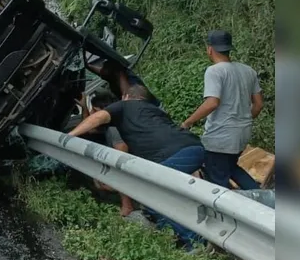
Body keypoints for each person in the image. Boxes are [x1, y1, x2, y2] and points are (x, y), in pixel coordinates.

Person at [67, 84, 205, 249]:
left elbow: (97, 119)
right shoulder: (156, 111)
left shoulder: (124, 106)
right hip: (194, 148)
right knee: (159, 196)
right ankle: (182, 236)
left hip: (176, 154)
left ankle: (194, 242)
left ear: (126, 97)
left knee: (150, 195)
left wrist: (68, 137)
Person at [181, 30, 264, 190]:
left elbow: (212, 103)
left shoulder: (215, 71)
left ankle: (223, 211)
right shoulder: (248, 71)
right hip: (242, 133)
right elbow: (259, 104)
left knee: (217, 178)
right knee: (230, 168)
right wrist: (244, 120)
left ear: (209, 49)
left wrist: (187, 122)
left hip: (221, 137)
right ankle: (260, 197)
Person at [77, 90, 136, 216]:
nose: (92, 115)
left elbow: (121, 163)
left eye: (94, 111)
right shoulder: (116, 117)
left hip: (136, 166)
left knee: (102, 180)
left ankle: (128, 204)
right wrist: (84, 107)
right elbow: (91, 129)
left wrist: (125, 203)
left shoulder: (115, 129)